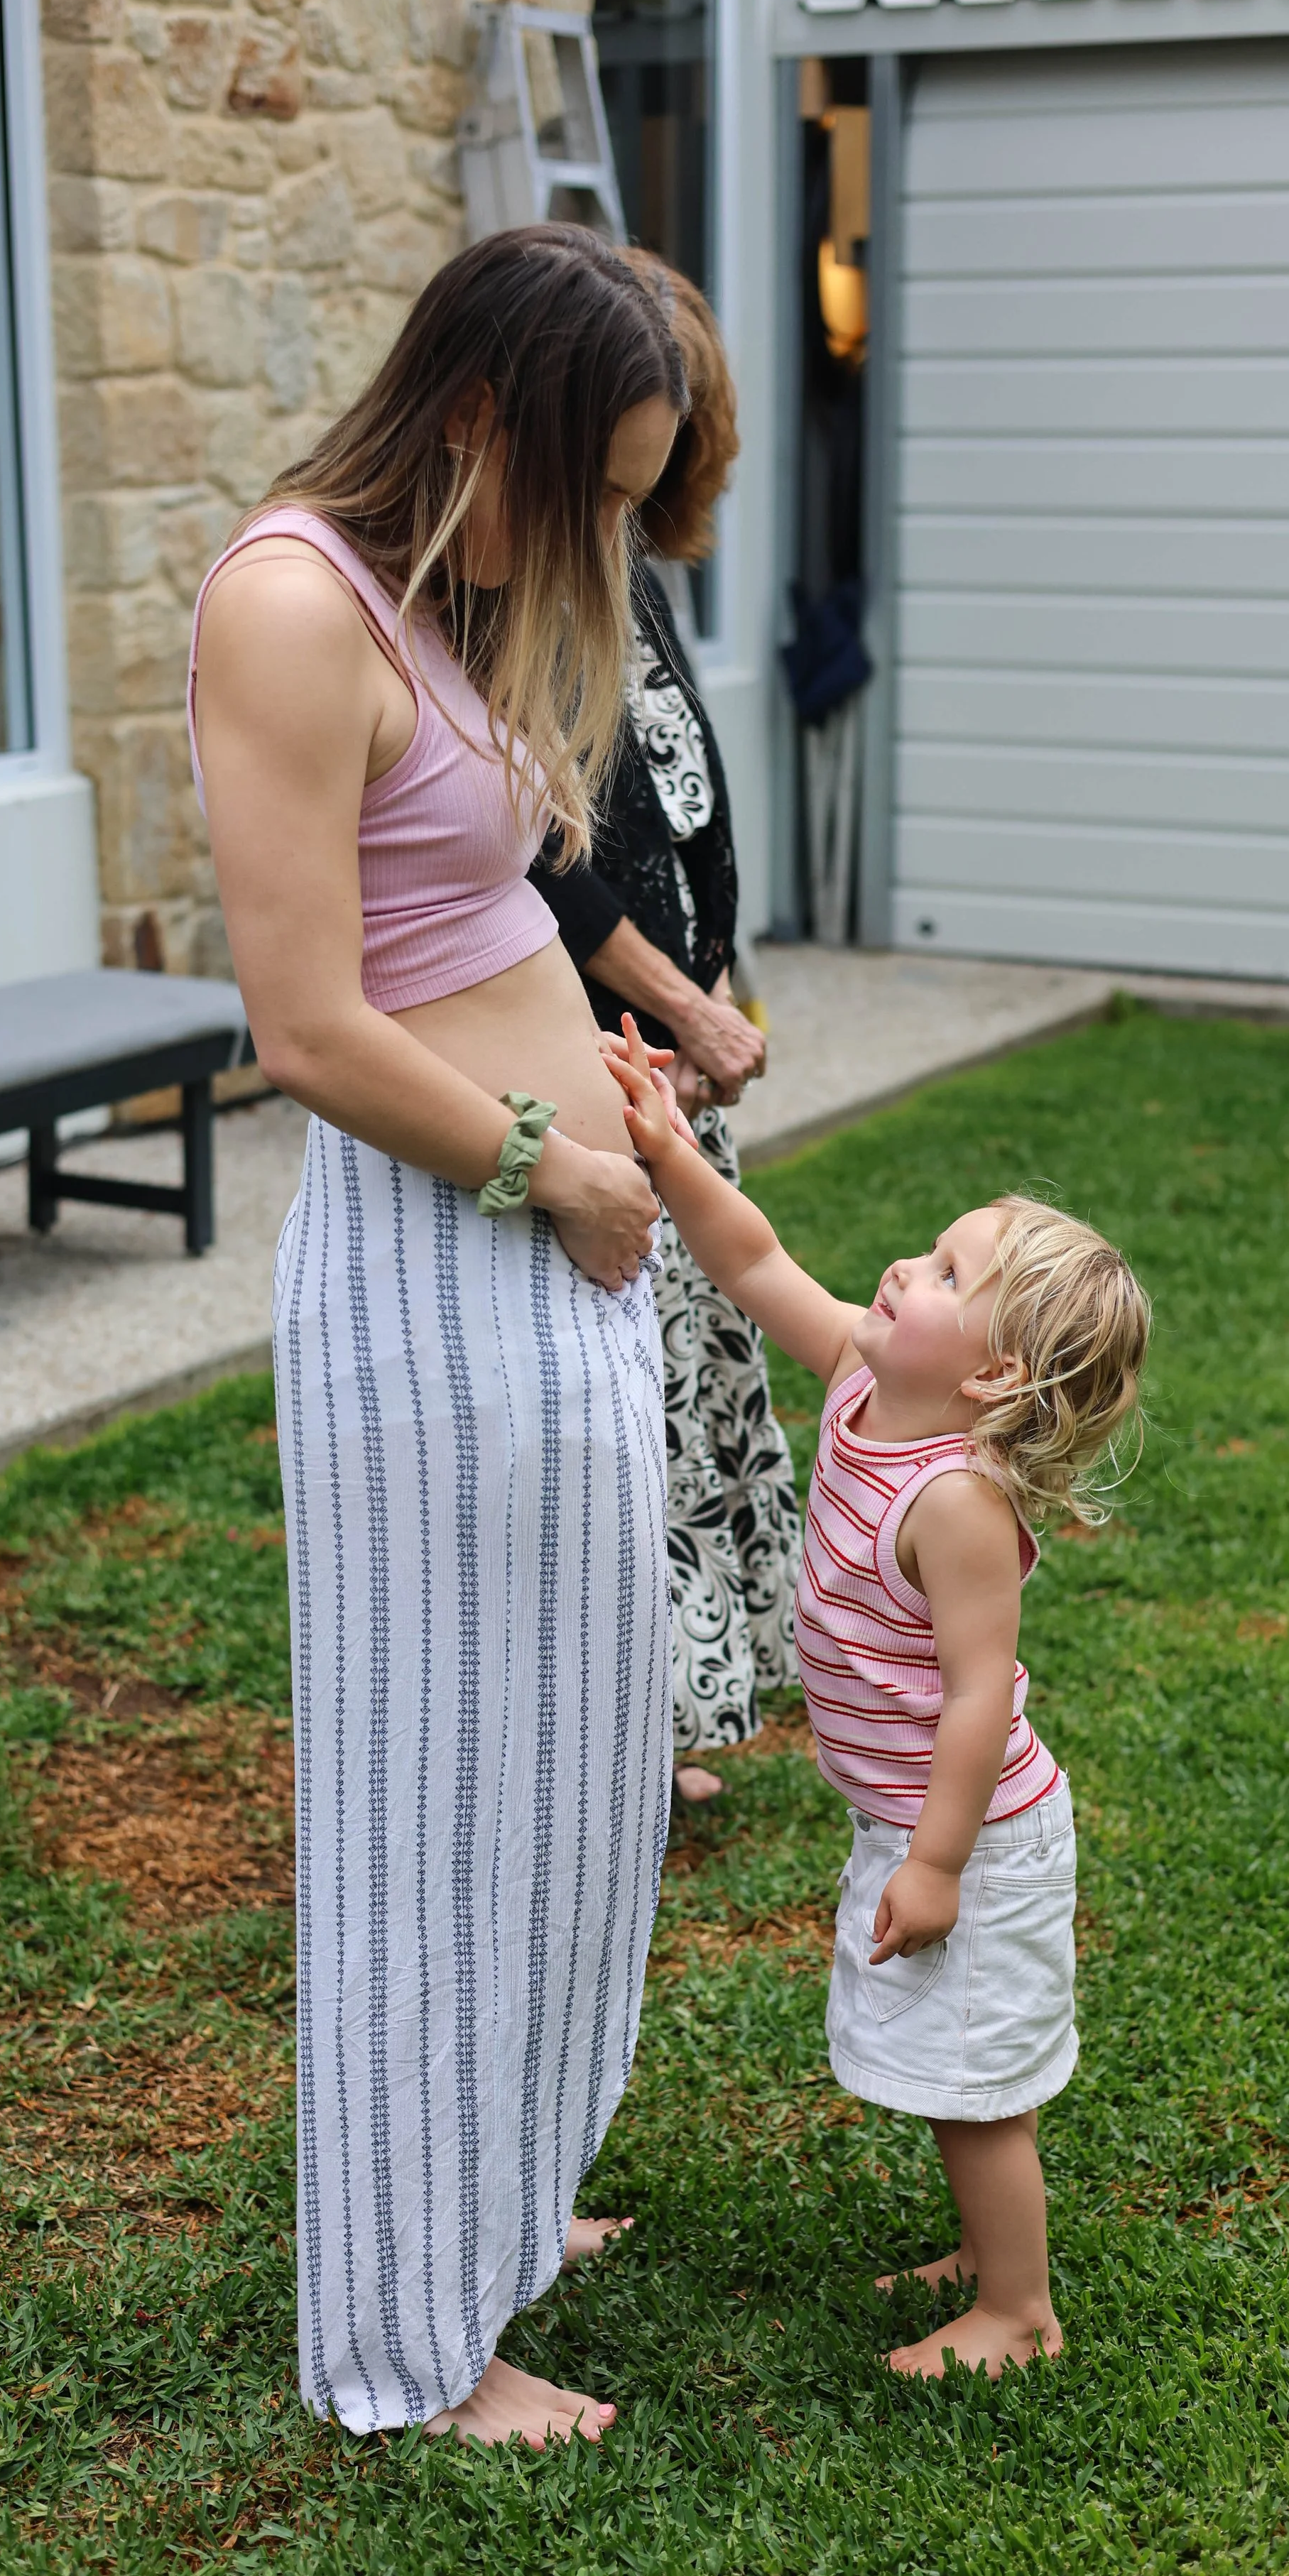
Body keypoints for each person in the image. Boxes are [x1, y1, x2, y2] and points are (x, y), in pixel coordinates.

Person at [190, 227, 687, 2450]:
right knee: (439, 1802)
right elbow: (300, 1019)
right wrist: (545, 1158)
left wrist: (618, 1093)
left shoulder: (436, 599)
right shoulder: (291, 602)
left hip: (541, 1244)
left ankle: (501, 2189)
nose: (594, 536)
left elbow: (467, 906)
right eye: (588, 486)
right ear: (476, 414)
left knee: (577, 1769)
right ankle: (410, 2332)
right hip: (440, 1264)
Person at [604, 1019, 1151, 2379]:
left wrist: (941, 1862)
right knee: (944, 2062)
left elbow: (979, 1697)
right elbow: (752, 1261)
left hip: (972, 1830)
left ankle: (1017, 2312)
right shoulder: (861, 1369)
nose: (908, 1263)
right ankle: (981, 2249)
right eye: (931, 1247)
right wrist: (672, 1152)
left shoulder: (957, 1503)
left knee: (979, 2084)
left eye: (949, 1270)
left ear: (991, 1377)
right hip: (904, 1819)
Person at [528, 258, 801, 1803]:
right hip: (599, 1068)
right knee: (623, 1402)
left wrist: (720, 986)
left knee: (694, 1397)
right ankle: (623, 1719)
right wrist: (680, 1002)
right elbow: (544, 857)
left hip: (679, 1063)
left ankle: (681, 1700)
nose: (651, 485)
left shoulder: (635, 572)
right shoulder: (533, 591)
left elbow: (679, 818)